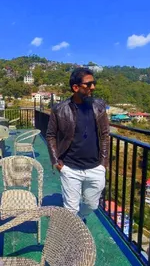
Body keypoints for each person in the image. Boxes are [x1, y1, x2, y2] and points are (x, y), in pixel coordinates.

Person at [46, 67, 109, 221]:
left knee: (92, 205)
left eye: (94, 83)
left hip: (95, 168)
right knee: (71, 208)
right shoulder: (60, 110)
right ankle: (72, 236)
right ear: (75, 87)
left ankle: (81, 218)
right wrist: (57, 162)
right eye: (88, 84)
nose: (93, 87)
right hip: (70, 168)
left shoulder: (99, 106)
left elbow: (105, 135)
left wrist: (103, 163)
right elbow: (50, 135)